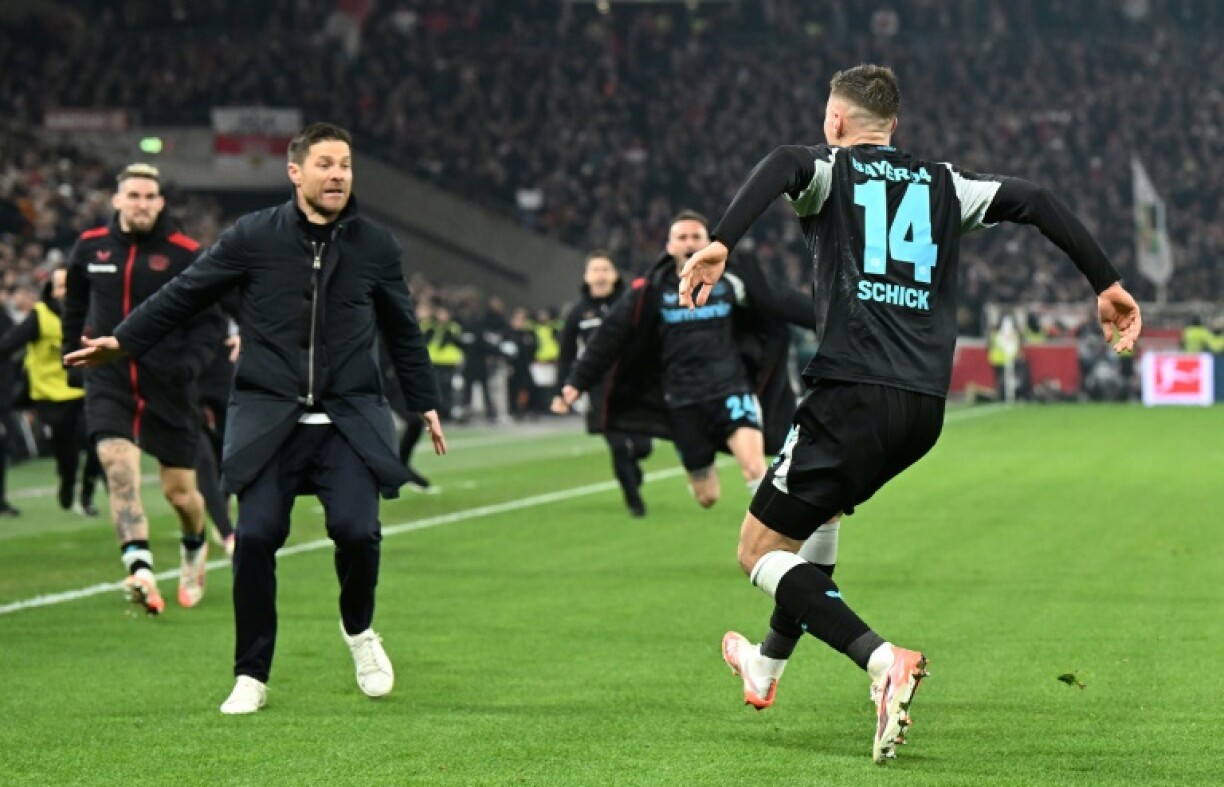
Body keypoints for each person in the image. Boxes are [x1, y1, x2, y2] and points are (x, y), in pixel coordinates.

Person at [675, 64, 1142, 763]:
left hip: (850, 392)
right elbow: (1039, 199)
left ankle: (881, 658)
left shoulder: (831, 171)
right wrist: (1106, 282)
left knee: (758, 549)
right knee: (821, 516)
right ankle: (766, 665)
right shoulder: (947, 184)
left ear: (836, 123)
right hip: (922, 407)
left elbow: (780, 164)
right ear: (894, 126)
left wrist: (722, 237)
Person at [65, 122, 447, 715]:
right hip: (269, 415)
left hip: (348, 417)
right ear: (295, 172)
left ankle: (359, 631)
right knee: (258, 538)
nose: (337, 174)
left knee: (356, 531)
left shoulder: (377, 245)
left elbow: (401, 327)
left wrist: (423, 398)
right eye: (324, 163)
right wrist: (123, 340)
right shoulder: (253, 237)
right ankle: (251, 674)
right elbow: (185, 292)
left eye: (345, 163)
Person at [561, 212, 816, 510]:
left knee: (754, 468)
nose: (690, 243)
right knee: (707, 497)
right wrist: (576, 381)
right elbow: (609, 335)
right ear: (669, 247)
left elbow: (781, 300)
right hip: (682, 399)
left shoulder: (733, 280)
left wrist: (831, 323)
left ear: (709, 243)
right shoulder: (652, 291)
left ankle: (771, 540)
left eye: (696, 237)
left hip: (731, 389)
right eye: (682, 237)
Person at [62, 163, 226, 614]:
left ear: (161, 203)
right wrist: (70, 354)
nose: (141, 204)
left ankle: (195, 544)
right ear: (116, 201)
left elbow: (211, 321)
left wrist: (188, 367)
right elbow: (75, 301)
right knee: (117, 465)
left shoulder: (185, 254)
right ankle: (140, 569)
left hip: (168, 386)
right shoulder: (90, 248)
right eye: (132, 195)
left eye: (149, 196)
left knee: (180, 494)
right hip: (108, 378)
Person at [551, 251, 653, 517]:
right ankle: (634, 501)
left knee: (643, 447)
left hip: (634, 382)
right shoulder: (577, 313)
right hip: (599, 388)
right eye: (594, 270)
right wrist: (561, 392)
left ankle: (635, 464)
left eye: (605, 269)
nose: (600, 274)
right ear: (586, 276)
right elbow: (565, 356)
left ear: (615, 274)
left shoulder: (630, 302)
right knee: (618, 445)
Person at [0, 271, 101, 516]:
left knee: (98, 442)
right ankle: (67, 483)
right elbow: (8, 345)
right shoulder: (40, 316)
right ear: (51, 291)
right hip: (51, 397)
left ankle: (86, 492)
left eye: (69, 285)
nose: (65, 291)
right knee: (66, 453)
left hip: (82, 391)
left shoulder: (90, 312)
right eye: (59, 287)